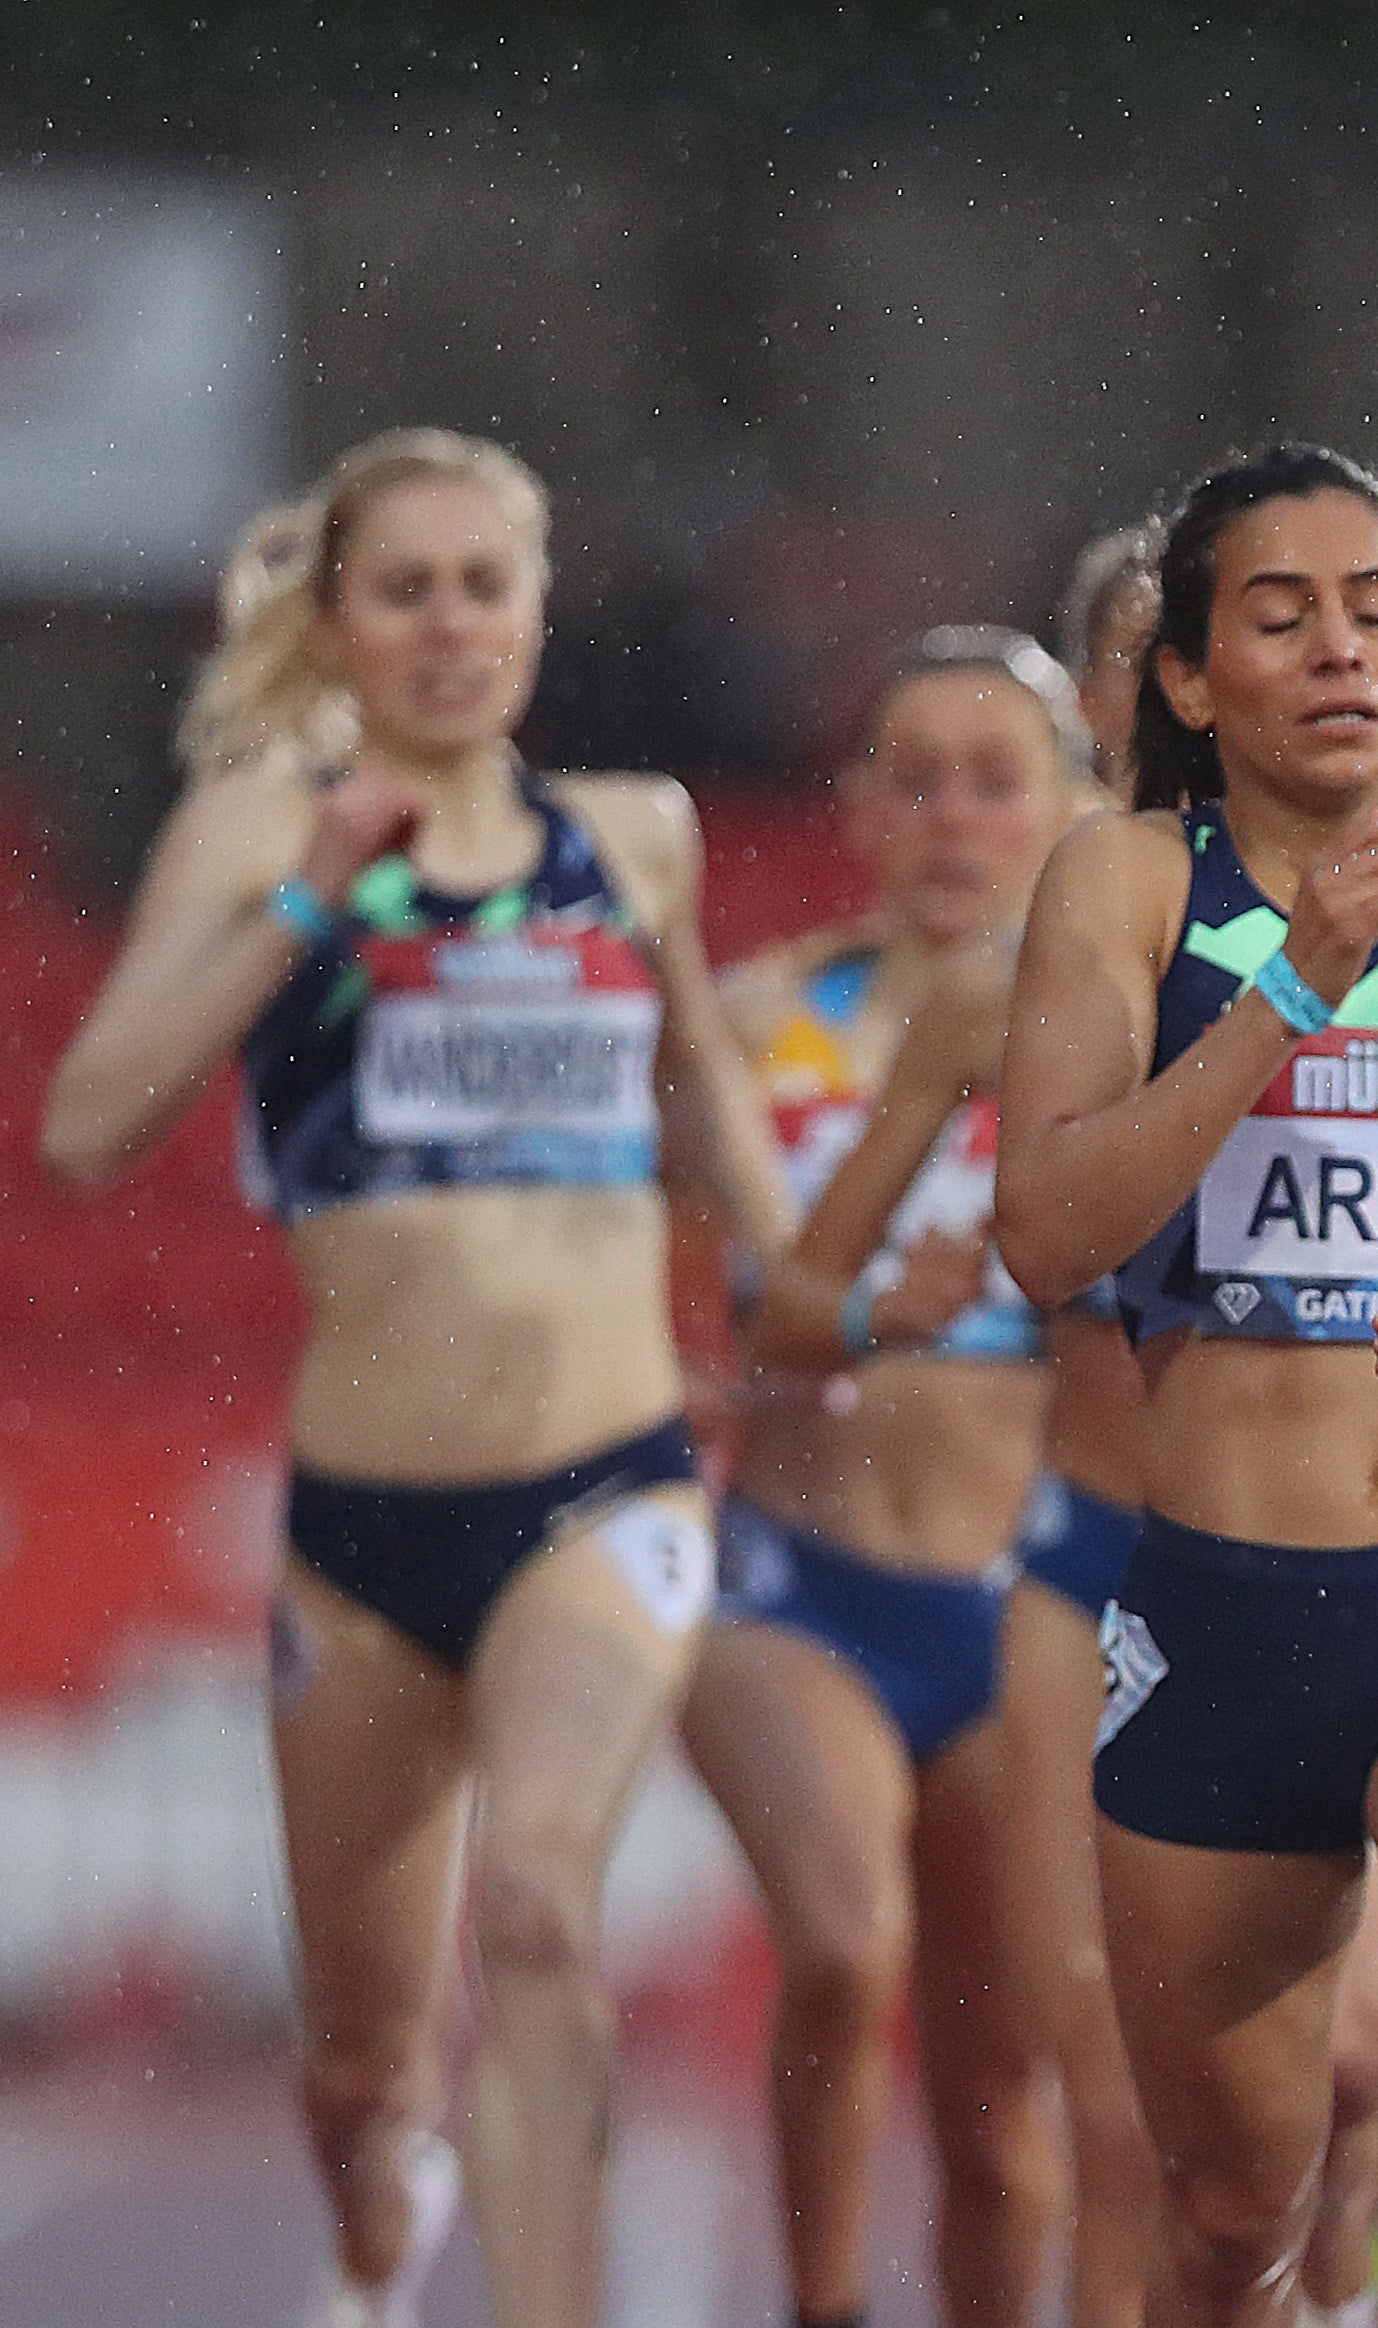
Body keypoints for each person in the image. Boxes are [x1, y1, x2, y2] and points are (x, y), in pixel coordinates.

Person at [38, 428, 789, 2328]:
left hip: (604, 1486)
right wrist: (304, 899)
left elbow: (704, 1090)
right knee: (367, 2071)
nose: (450, 622)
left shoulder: (631, 836)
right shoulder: (253, 827)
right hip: (364, 1532)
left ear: (537, 612)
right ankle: (380, 2232)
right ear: (340, 619)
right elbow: (85, 1124)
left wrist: (797, 1279)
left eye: (486, 583)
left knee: (539, 1910)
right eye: (407, 587)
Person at [992, 444, 1378, 2328]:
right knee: (1231, 2214)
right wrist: (1292, 987)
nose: (1343, 649)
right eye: (1281, 613)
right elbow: (1042, 1229)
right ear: (1186, 677)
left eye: (1372, 607)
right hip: (1216, 1615)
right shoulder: (1121, 884)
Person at [692, 625, 1150, 2328]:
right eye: (917, 780)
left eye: (994, 780)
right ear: (860, 809)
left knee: (1002, 2100)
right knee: (838, 1938)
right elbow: (726, 1302)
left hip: (1022, 1604)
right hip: (795, 1580)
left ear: (1068, 809)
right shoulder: (757, 1021)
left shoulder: (1111, 1051)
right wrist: (826, 1322)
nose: (954, 818)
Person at [1060, 519, 1168, 803]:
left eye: (1200, 656)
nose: (1176, 682)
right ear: (1086, 697)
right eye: (1145, 659)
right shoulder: (1051, 843)